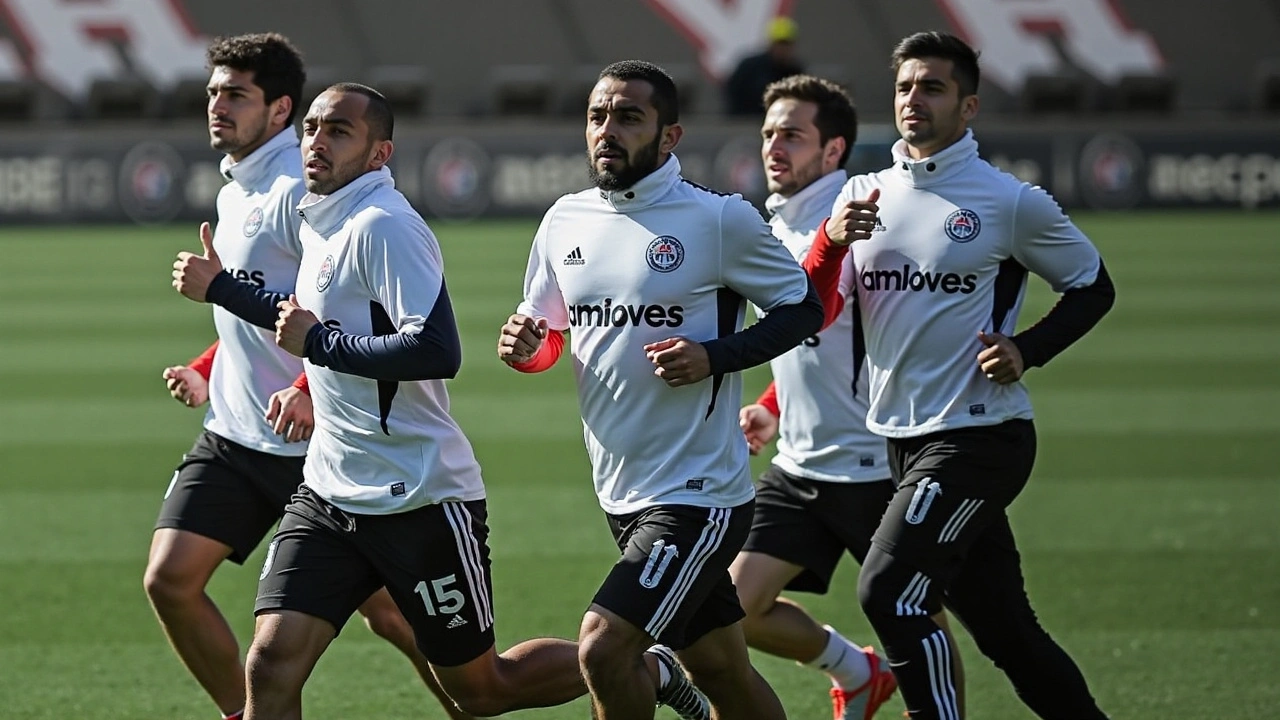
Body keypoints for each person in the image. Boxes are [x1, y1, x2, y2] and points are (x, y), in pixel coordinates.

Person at [172, 81, 705, 720]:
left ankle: (644, 666)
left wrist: (321, 345)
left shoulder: (385, 227)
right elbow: (305, 322)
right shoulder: (322, 216)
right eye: (313, 127)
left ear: (379, 153)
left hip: (419, 495)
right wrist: (228, 292)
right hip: (329, 491)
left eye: (339, 131)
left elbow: (434, 350)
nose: (317, 141)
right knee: (270, 663)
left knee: (481, 690)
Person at [146, 34, 469, 720]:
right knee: (170, 580)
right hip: (236, 431)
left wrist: (302, 385)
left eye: (235, 95)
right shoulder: (239, 188)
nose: (218, 107)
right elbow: (268, 305)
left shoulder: (304, 188)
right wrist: (208, 367)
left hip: (312, 445)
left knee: (398, 623)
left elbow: (325, 306)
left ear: (278, 107)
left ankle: (474, 701)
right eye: (213, 93)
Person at [498, 60, 824, 720]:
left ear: (669, 136)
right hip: (621, 488)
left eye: (628, 117)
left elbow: (802, 308)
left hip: (699, 494)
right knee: (722, 670)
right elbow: (552, 335)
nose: (607, 130)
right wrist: (530, 352)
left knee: (603, 649)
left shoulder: (719, 219)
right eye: (597, 116)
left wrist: (714, 356)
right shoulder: (566, 220)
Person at [823, 32, 1116, 719]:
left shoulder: (1008, 201)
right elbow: (817, 309)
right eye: (904, 87)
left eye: (932, 87)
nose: (913, 99)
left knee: (888, 592)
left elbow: (1093, 286)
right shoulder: (863, 195)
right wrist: (831, 242)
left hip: (980, 437)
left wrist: (1028, 349)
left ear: (969, 105)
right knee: (1009, 635)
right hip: (902, 439)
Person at [731, 73, 902, 720]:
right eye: (770, 132)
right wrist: (772, 406)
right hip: (800, 465)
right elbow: (811, 342)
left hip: (875, 464)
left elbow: (817, 312)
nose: (775, 146)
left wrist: (831, 239)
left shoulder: (857, 214)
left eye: (793, 135)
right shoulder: (783, 221)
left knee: (917, 622)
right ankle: (858, 673)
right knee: (732, 611)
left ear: (833, 151)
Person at [724, 16, 806, 117]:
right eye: (780, 43)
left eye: (787, 44)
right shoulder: (750, 67)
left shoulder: (795, 72)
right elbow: (732, 93)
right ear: (771, 44)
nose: (783, 49)